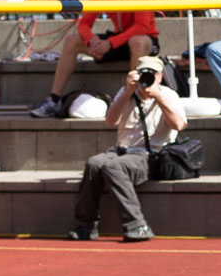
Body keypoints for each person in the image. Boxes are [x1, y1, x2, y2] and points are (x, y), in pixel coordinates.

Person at [68, 56, 186, 242]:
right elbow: (110, 121)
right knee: (94, 163)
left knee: (114, 167)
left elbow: (179, 125)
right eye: (142, 73)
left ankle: (137, 225)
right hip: (122, 150)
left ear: (160, 77)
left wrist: (158, 97)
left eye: (152, 74)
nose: (147, 78)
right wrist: (127, 93)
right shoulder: (126, 92)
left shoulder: (169, 95)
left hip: (151, 155)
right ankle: (86, 225)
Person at [31, 0, 159, 118]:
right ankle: (53, 99)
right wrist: (92, 41)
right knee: (72, 41)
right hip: (119, 40)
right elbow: (83, 24)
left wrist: (110, 43)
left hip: (142, 42)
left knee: (137, 40)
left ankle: (134, 97)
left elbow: (142, 26)